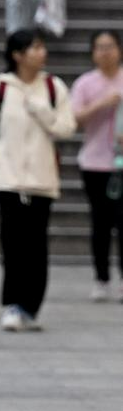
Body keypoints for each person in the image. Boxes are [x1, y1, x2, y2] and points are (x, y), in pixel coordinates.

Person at [0, 29, 76, 331]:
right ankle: (12, 305)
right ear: (17, 54)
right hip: (6, 179)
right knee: (12, 244)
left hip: (42, 179)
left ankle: (30, 307)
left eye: (42, 47)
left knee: (36, 246)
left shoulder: (53, 87)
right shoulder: (0, 88)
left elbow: (66, 128)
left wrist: (43, 113)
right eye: (34, 48)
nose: (41, 53)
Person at [70, 31, 123, 302]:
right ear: (92, 52)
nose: (105, 52)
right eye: (99, 47)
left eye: (110, 47)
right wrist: (101, 104)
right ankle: (101, 278)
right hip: (95, 163)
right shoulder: (85, 83)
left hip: (122, 163)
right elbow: (73, 119)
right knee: (100, 223)